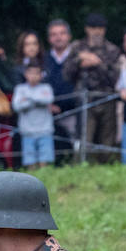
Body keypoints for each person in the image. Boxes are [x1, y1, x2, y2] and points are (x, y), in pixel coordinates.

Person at [64, 13, 123, 163]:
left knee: (107, 140)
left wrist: (97, 62)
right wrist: (79, 61)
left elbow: (116, 78)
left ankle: (107, 168)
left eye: (100, 28)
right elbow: (66, 74)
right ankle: (82, 167)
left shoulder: (112, 49)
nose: (96, 31)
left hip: (107, 99)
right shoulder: (77, 47)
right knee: (85, 138)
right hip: (85, 100)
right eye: (93, 28)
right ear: (86, 29)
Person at [12, 60, 56, 170]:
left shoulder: (46, 88)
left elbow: (48, 99)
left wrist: (28, 98)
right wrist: (37, 101)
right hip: (27, 131)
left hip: (45, 130)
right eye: (31, 72)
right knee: (29, 159)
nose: (34, 76)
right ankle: (32, 181)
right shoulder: (20, 89)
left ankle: (45, 178)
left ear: (41, 75)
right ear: (25, 74)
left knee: (44, 158)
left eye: (37, 73)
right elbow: (16, 106)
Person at [44, 20, 77, 157]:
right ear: (49, 38)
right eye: (54, 34)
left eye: (62, 33)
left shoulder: (78, 57)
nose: (58, 37)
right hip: (46, 114)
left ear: (69, 36)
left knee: (76, 149)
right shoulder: (43, 59)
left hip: (74, 113)